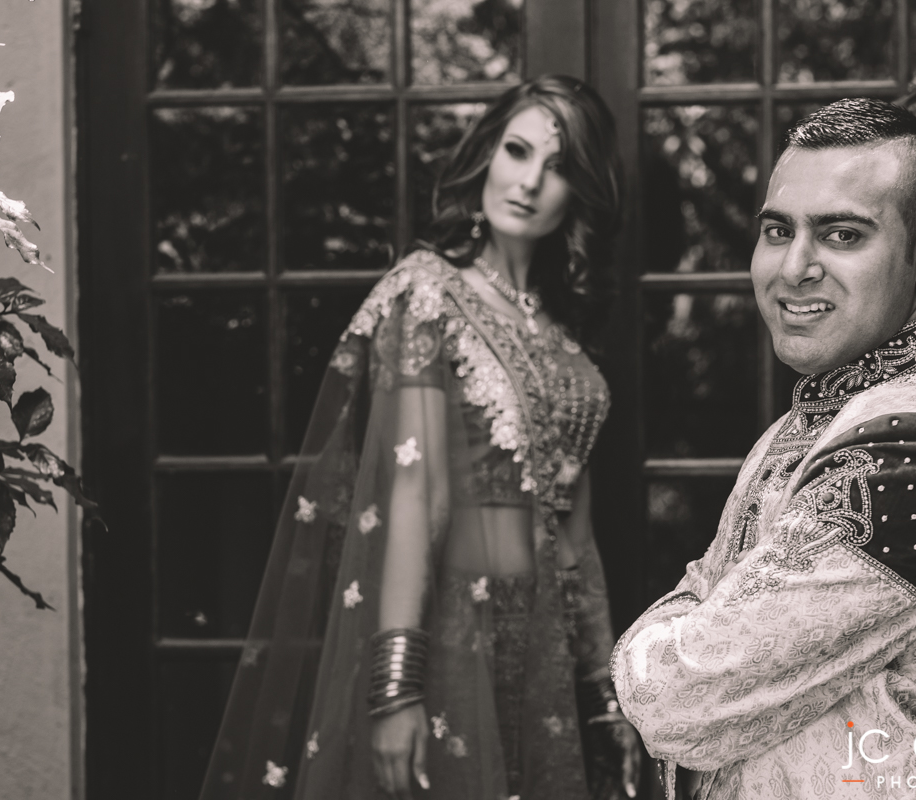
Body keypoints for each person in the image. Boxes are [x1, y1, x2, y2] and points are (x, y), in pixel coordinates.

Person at [199, 74, 642, 800]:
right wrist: (395, 684)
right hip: (453, 636)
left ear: (582, 192)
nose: (529, 181)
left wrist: (604, 696)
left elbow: (575, 540)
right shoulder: (429, 294)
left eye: (558, 166)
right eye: (517, 151)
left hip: (547, 652)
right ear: (487, 155)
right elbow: (415, 488)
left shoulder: (560, 334)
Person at [612, 98, 916, 799]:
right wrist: (701, 617)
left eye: (841, 235)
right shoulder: (833, 407)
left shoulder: (914, 450)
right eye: (778, 231)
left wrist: (656, 640)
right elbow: (708, 597)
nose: (794, 267)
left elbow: (677, 699)